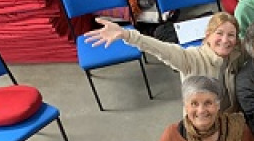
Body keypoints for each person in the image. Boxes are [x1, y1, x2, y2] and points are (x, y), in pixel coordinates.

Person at [84, 13, 244, 112]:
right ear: (208, 35)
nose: (225, 40)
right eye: (219, 33)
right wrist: (127, 35)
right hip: (203, 121)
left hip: (231, 117)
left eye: (231, 35)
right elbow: (161, 49)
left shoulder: (236, 55)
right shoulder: (191, 58)